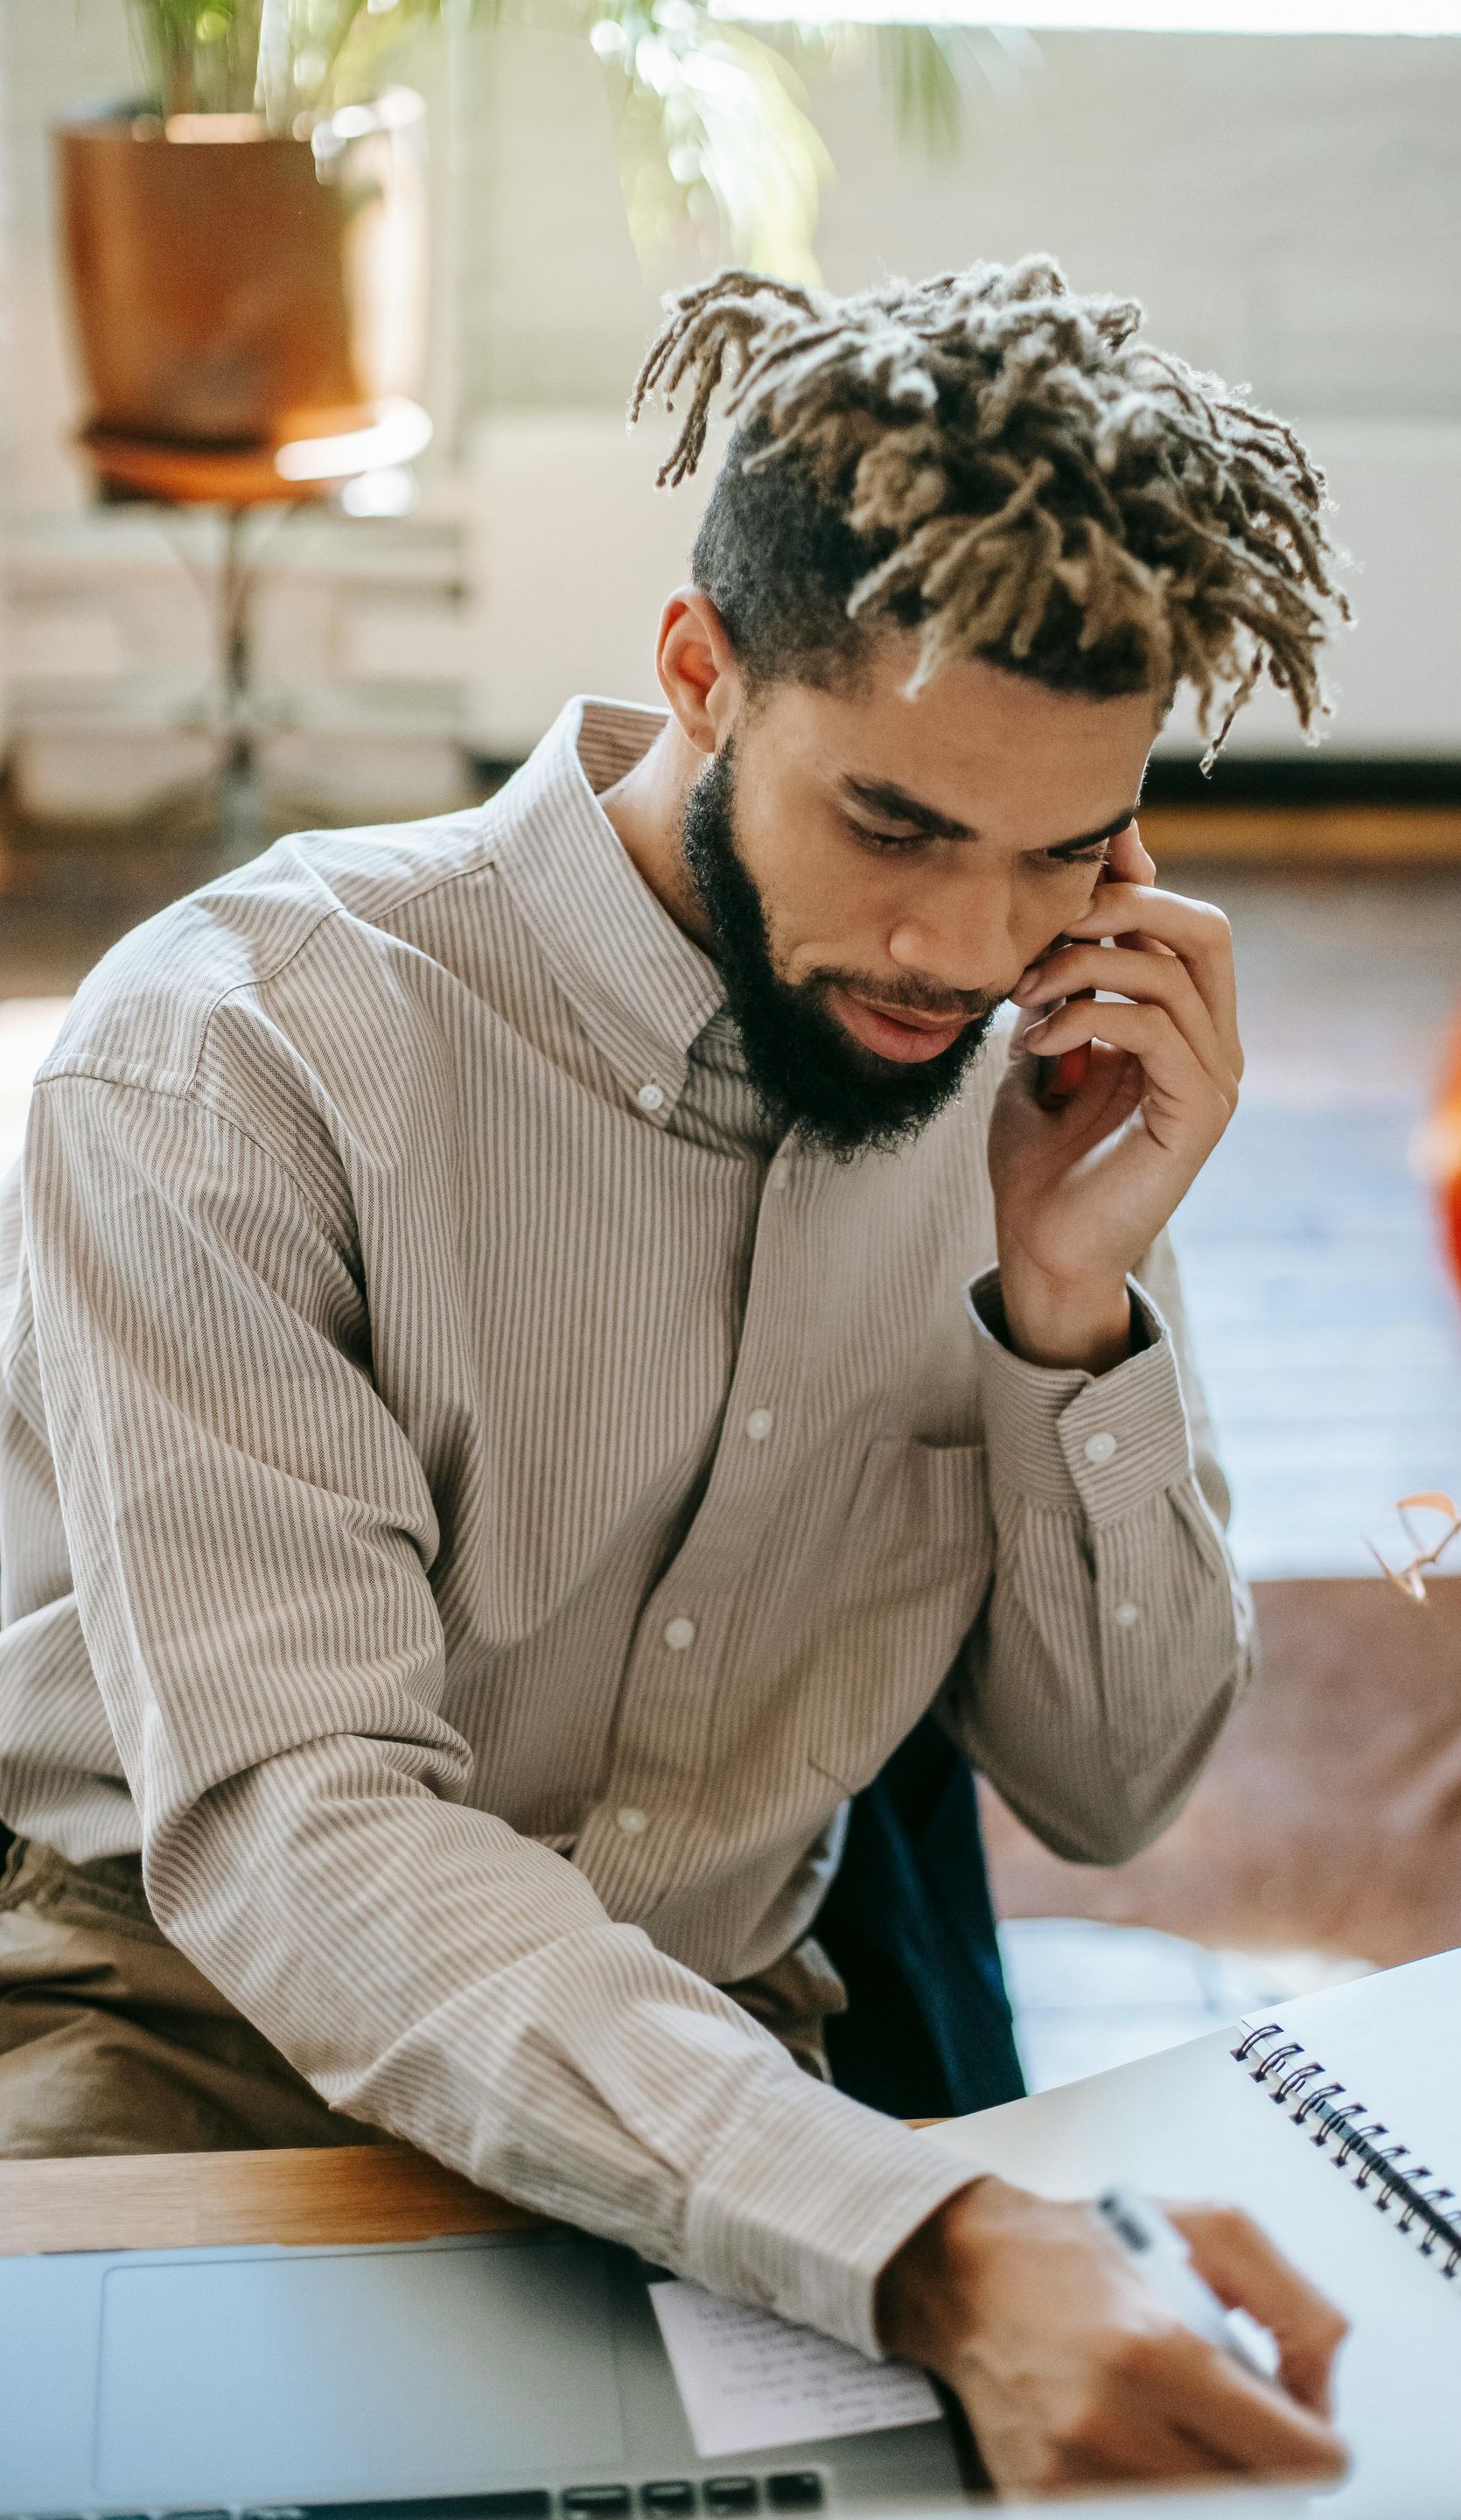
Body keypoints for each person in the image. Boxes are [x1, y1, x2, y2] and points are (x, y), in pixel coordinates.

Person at [0, 257, 1350, 2487]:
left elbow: (1115, 1792)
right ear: (698, 673)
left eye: (1061, 855)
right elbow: (302, 1831)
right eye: (898, 827)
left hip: (732, 2072)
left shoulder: (1042, 1087)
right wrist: (915, 2233)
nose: (967, 952)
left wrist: (1070, 1303)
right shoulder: (232, 1053)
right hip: (180, 2028)